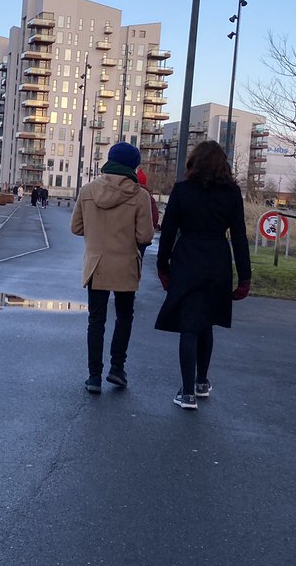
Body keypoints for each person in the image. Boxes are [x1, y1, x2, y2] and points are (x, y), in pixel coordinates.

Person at [154, 139, 251, 410]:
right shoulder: (232, 193)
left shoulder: (182, 190)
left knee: (189, 325)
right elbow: (240, 237)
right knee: (206, 321)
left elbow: (169, 231)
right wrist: (245, 276)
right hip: (217, 259)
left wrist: (163, 266)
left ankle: (186, 393)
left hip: (187, 259)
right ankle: (201, 381)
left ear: (194, 163)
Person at [71, 142, 154, 393]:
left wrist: (95, 234)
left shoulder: (87, 190)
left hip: (96, 264)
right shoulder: (140, 196)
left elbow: (75, 228)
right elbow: (145, 236)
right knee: (124, 317)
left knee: (96, 321)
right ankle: (117, 368)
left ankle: (93, 376)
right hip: (125, 265)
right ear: (133, 166)